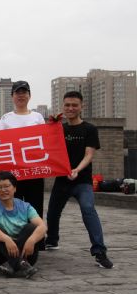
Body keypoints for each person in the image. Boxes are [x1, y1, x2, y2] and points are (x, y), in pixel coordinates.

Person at [45, 91, 113, 268]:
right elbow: (45, 146)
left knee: (88, 209)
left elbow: (89, 154)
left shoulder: (89, 129)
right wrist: (51, 125)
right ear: (63, 107)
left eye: (74, 105)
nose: (70, 108)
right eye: (67, 105)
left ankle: (99, 251)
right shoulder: (59, 128)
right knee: (52, 213)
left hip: (82, 181)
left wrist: (76, 169)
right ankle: (52, 240)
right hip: (62, 181)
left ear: (82, 106)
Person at [0, 81, 46, 246]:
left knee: (35, 205)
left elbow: (45, 140)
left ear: (29, 95)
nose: (21, 95)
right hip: (14, 172)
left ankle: (37, 241)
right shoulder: (5, 118)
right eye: (17, 93)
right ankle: (18, 239)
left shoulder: (37, 117)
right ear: (12, 96)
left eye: (24, 92)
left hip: (34, 170)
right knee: (15, 207)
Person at [0, 171, 46, 278]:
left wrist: (32, 240)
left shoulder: (25, 206)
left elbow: (42, 226)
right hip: (3, 255)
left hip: (27, 253)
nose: (3, 190)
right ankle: (22, 265)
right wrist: (6, 239)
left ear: (15, 188)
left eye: (7, 186)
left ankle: (13, 265)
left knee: (31, 227)